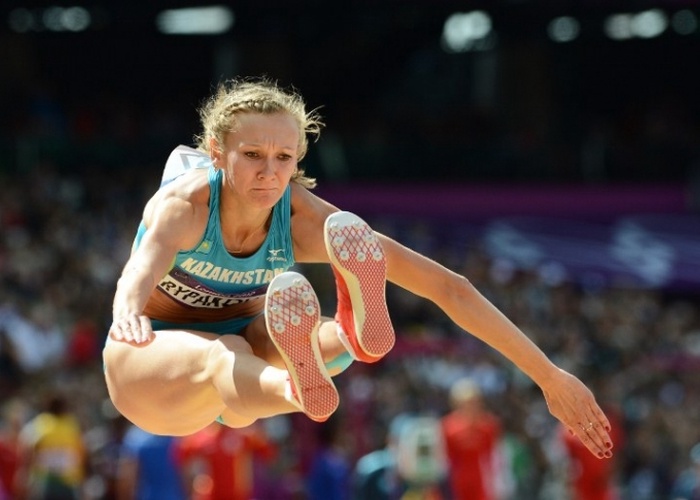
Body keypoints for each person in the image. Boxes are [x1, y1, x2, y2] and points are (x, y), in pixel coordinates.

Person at [102, 77, 614, 461]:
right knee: (223, 354)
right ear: (217, 153)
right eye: (252, 154)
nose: (269, 172)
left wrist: (550, 377)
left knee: (285, 345)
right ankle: (304, 382)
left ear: (298, 158)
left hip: (247, 371)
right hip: (150, 369)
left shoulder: (303, 217)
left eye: (284, 157)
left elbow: (448, 287)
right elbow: (138, 272)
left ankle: (351, 338)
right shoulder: (186, 206)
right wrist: (127, 311)